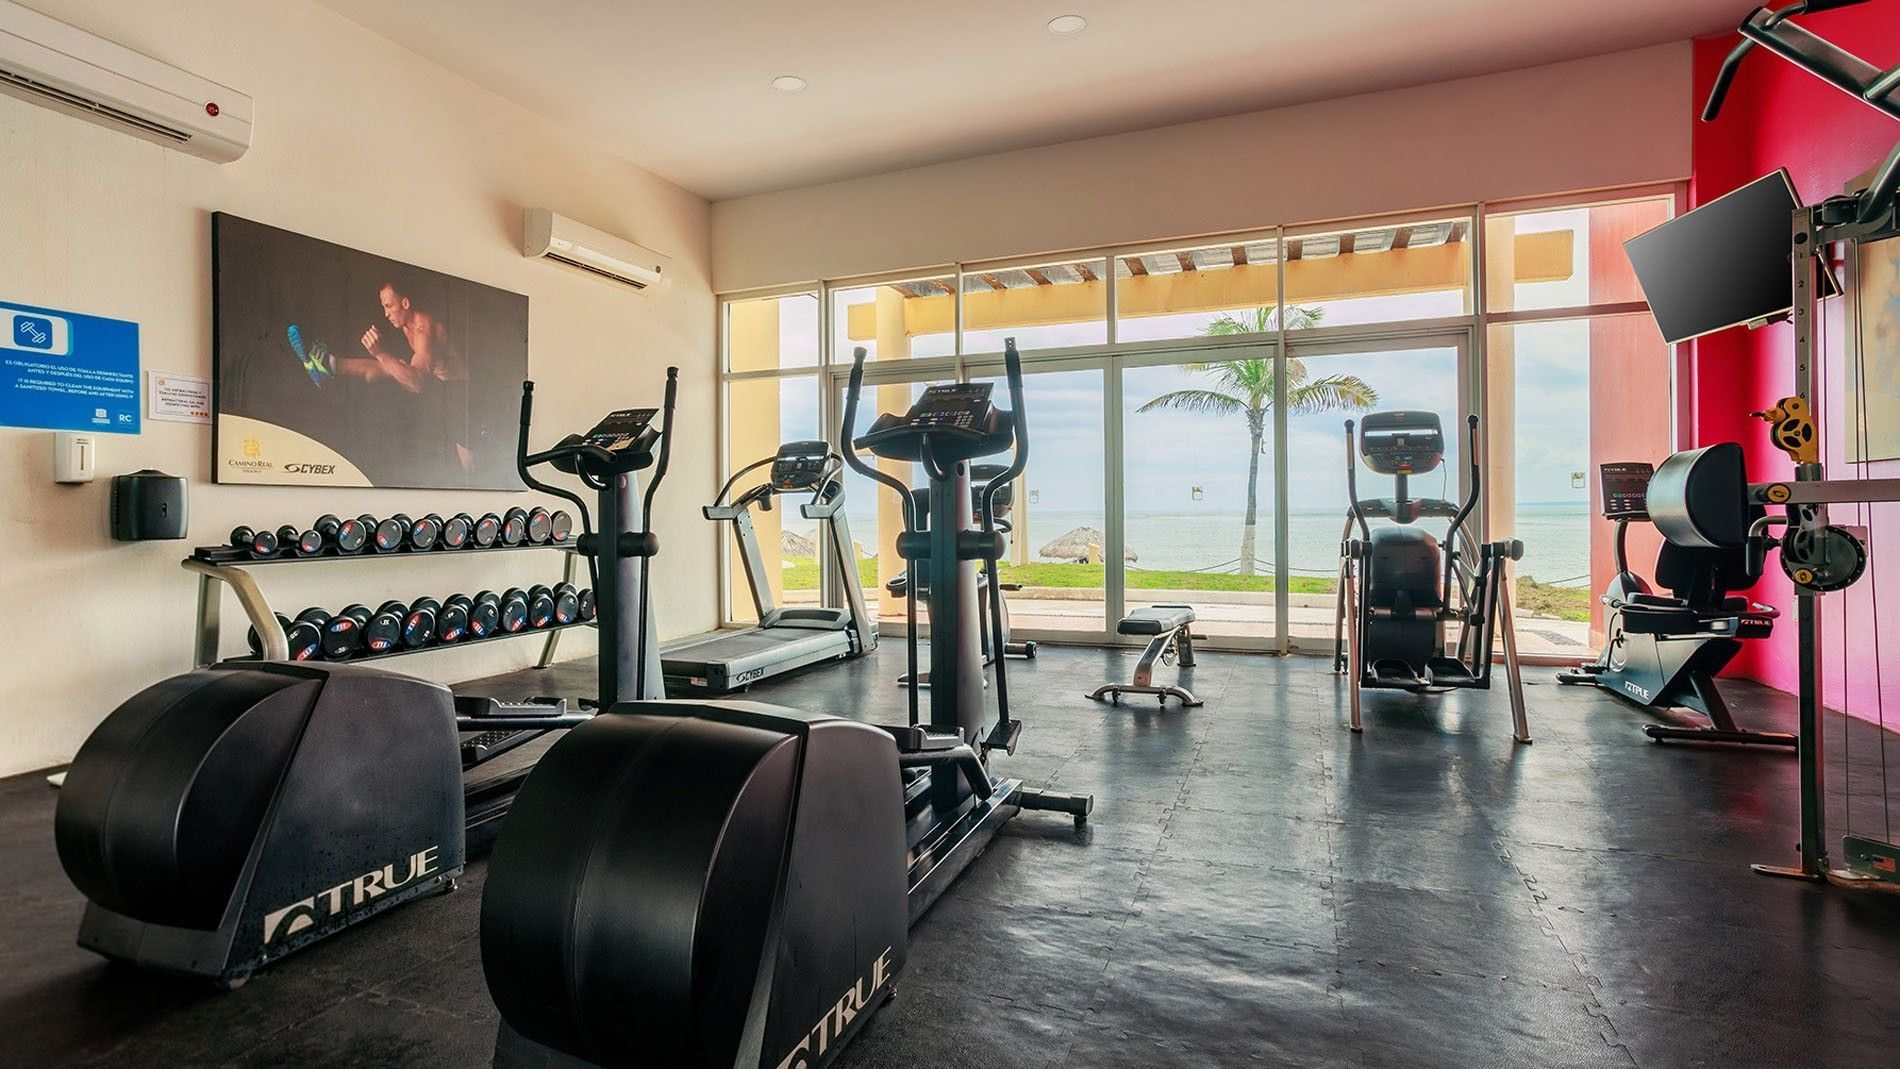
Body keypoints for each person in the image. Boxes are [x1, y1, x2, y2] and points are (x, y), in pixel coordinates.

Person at [332, 277, 475, 473]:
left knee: (468, 462)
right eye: (384, 307)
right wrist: (386, 360)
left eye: (389, 306)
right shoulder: (407, 326)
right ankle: (331, 365)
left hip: (461, 391)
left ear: (405, 303)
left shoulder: (423, 328)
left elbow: (416, 383)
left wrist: (380, 353)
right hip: (437, 384)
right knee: (388, 367)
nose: (386, 314)